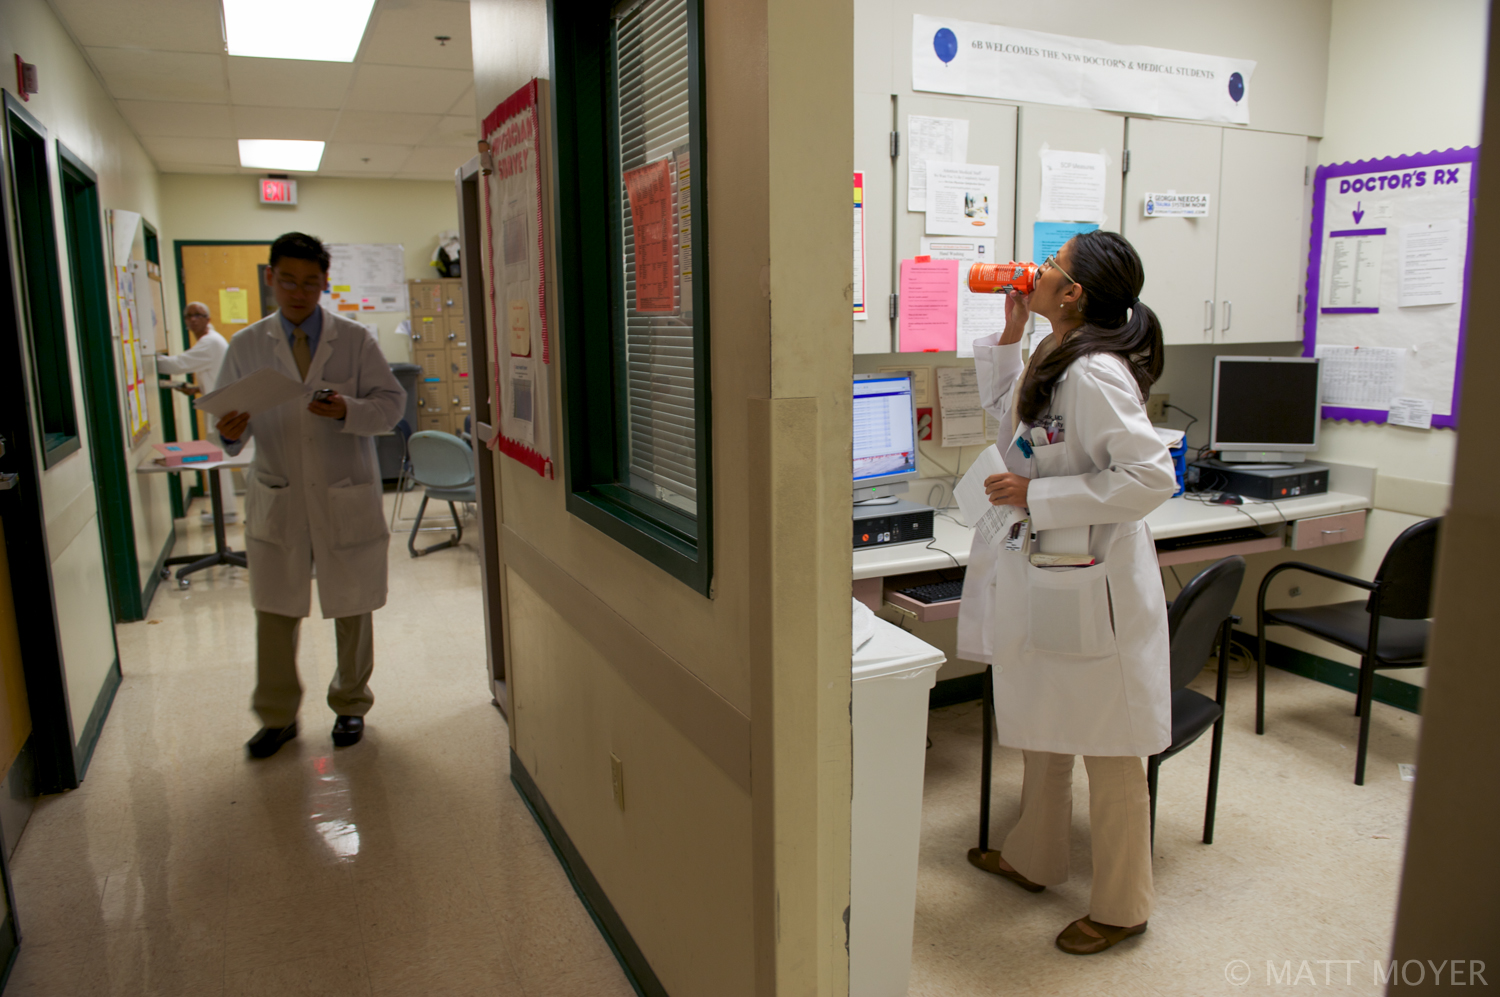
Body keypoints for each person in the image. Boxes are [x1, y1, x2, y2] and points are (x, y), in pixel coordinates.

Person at [955, 231, 1175, 955]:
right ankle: (1035, 857)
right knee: (1047, 727)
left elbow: (1150, 479)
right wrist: (1013, 336)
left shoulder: (1098, 373)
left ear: (1074, 292)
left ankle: (1122, 905)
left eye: (1050, 267)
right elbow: (1018, 430)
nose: (1037, 272)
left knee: (1112, 752)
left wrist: (1037, 493)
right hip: (1057, 574)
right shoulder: (1060, 355)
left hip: (1097, 583)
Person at [215, 233, 406, 759]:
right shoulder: (248, 345)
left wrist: (348, 409)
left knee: (353, 603)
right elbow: (227, 429)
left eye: (312, 282)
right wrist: (231, 430)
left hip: (344, 491)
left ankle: (350, 702)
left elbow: (391, 406)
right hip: (279, 489)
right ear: (271, 277)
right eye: (289, 280)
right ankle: (277, 717)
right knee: (275, 609)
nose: (300, 292)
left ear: (325, 283)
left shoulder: (355, 339)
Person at [156, 301, 237, 523]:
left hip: (225, 411)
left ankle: (226, 512)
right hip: (221, 407)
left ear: (207, 319)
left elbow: (177, 365)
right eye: (188, 316)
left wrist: (146, 360)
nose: (193, 319)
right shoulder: (209, 342)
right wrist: (197, 388)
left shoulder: (209, 342)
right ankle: (226, 510)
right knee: (220, 462)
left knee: (219, 462)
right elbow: (214, 374)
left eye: (198, 315)